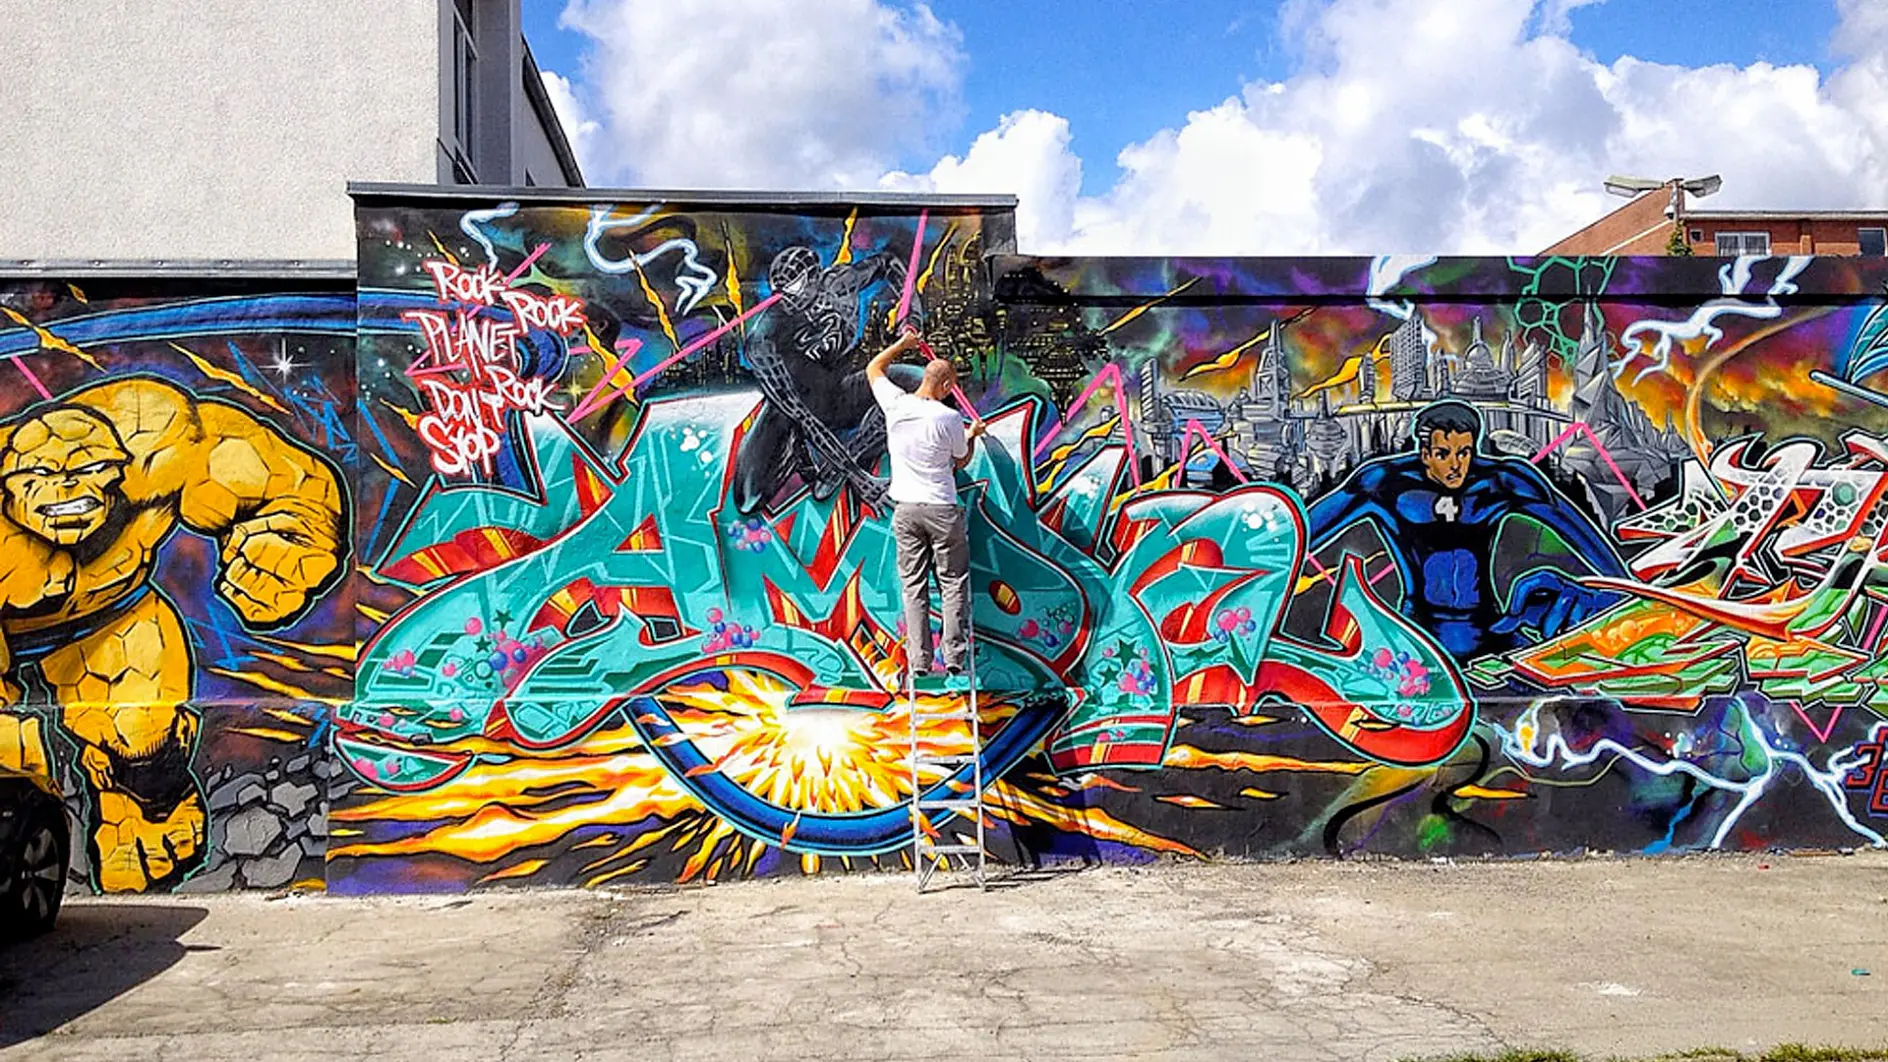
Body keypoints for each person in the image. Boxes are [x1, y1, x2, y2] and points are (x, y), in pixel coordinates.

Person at [1305, 399, 1629, 660]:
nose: (1456, 465)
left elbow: (1576, 529)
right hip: (1419, 629)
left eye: (1464, 453)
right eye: (1444, 455)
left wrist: (1625, 589)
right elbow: (1306, 530)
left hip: (1488, 625)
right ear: (1425, 453)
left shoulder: (1501, 481)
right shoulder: (1385, 483)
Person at [866, 327, 985, 688]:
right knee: (952, 583)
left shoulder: (896, 405)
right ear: (948, 386)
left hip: (906, 509)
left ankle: (919, 662)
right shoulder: (948, 419)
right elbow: (960, 462)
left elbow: (874, 368)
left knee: (914, 587)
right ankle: (953, 659)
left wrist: (903, 346)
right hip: (942, 509)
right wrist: (972, 436)